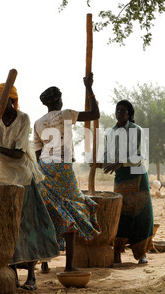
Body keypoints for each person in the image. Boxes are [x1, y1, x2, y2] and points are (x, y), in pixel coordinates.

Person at [0, 83, 60, 290]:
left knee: (27, 228)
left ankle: (31, 277)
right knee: (6, 227)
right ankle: (11, 275)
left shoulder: (23, 119)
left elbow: (19, 153)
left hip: (23, 178)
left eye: (0, 102)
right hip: (2, 178)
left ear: (11, 102)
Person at [33, 72, 101, 272]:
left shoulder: (37, 123)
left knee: (50, 210)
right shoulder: (67, 114)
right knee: (72, 209)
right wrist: (89, 88)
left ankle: (44, 261)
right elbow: (95, 114)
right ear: (60, 100)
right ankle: (69, 266)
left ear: (46, 104)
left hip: (45, 168)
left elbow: (38, 154)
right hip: (63, 168)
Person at [96, 100, 154, 264]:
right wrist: (99, 163)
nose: (119, 113)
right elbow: (108, 156)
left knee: (142, 214)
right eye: (117, 110)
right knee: (120, 214)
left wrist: (121, 162)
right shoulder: (111, 132)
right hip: (121, 177)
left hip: (137, 175)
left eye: (122, 110)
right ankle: (117, 252)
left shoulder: (137, 130)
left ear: (129, 113)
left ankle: (141, 253)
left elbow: (140, 155)